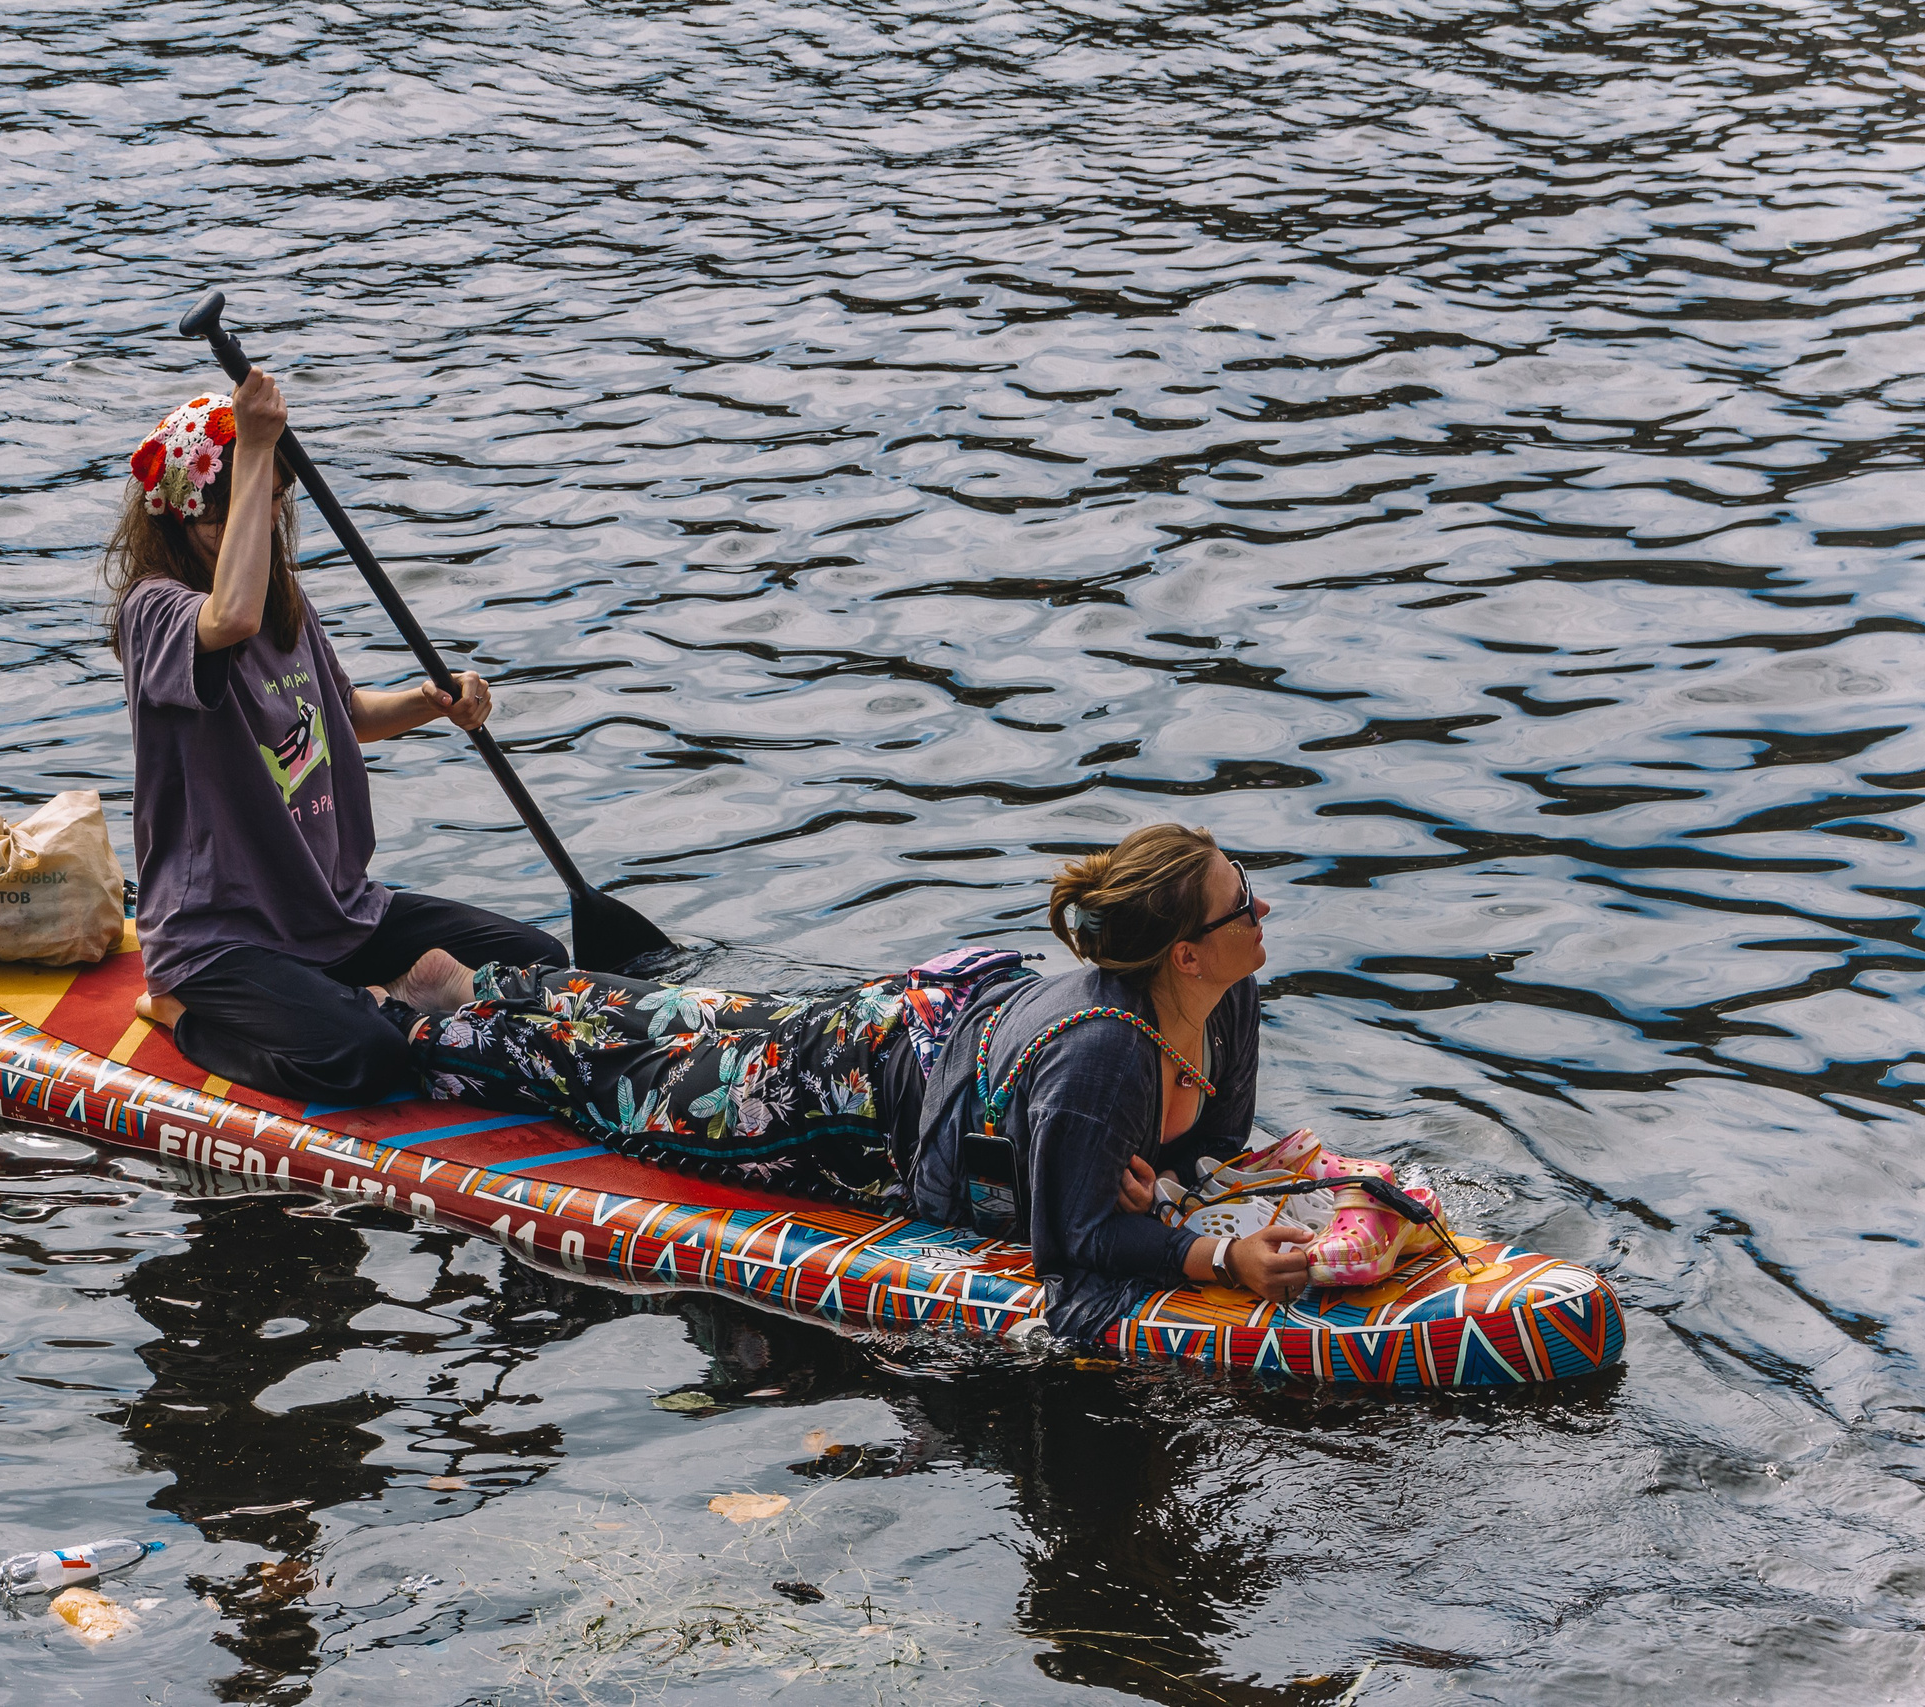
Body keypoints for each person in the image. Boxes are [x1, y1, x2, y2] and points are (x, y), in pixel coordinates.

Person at [391, 823, 1439, 1344]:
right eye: (1239, 905)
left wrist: (1160, 1189)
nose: (1262, 914)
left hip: (940, 1032)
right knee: (631, 1082)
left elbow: (1189, 1156)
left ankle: (490, 987)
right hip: (847, 1091)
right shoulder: (1103, 1053)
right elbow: (1071, 1254)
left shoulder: (1226, 1003)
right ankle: (448, 1021)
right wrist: (1212, 1256)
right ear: (1184, 956)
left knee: (682, 1030)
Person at [104, 368, 568, 1106]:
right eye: (230, 512)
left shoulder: (281, 594)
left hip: (333, 910)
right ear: (179, 519)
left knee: (538, 961)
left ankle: (376, 987)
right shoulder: (155, 611)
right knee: (371, 1058)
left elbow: (343, 716)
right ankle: (183, 1014)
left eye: (269, 501)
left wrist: (431, 703)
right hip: (220, 939)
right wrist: (253, 445)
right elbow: (230, 620)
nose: (258, 522)